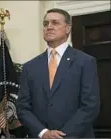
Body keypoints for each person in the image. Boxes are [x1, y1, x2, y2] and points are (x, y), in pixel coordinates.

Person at [16, 8, 100, 138]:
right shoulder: (30, 67)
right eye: (45, 24)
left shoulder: (85, 62)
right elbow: (23, 108)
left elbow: (90, 106)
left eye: (55, 23)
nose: (49, 27)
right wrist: (43, 133)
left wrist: (62, 136)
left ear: (67, 28)